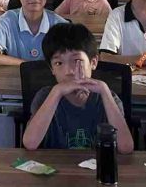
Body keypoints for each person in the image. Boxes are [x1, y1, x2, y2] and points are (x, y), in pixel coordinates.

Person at [23, 23, 133, 152]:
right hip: (55, 163)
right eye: (58, 63)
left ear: (93, 62)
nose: (68, 71)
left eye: (76, 61)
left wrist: (104, 90)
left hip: (96, 163)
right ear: (51, 69)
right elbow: (30, 144)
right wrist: (57, 91)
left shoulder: (108, 97)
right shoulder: (45, 96)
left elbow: (126, 148)